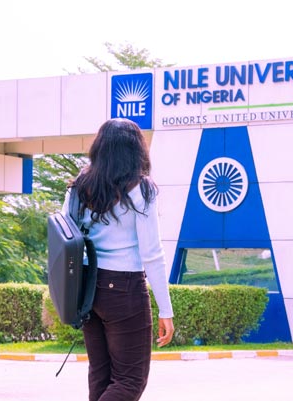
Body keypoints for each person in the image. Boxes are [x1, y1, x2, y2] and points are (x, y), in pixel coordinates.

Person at [63, 118, 175, 401]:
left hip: (87, 289)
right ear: (136, 150)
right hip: (124, 288)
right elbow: (152, 254)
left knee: (101, 377)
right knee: (130, 381)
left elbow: (64, 234)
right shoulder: (141, 189)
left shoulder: (80, 185)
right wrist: (165, 309)